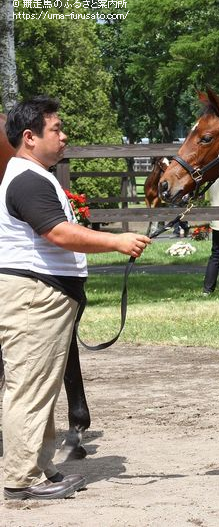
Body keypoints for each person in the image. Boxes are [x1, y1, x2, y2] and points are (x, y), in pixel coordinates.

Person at [0, 96, 151, 500]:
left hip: (42, 293)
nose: (64, 136)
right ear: (30, 138)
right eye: (56, 129)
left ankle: (39, 466)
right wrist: (117, 240)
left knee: (40, 387)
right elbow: (59, 233)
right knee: (29, 387)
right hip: (35, 296)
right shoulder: (28, 180)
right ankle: (21, 479)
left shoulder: (32, 176)